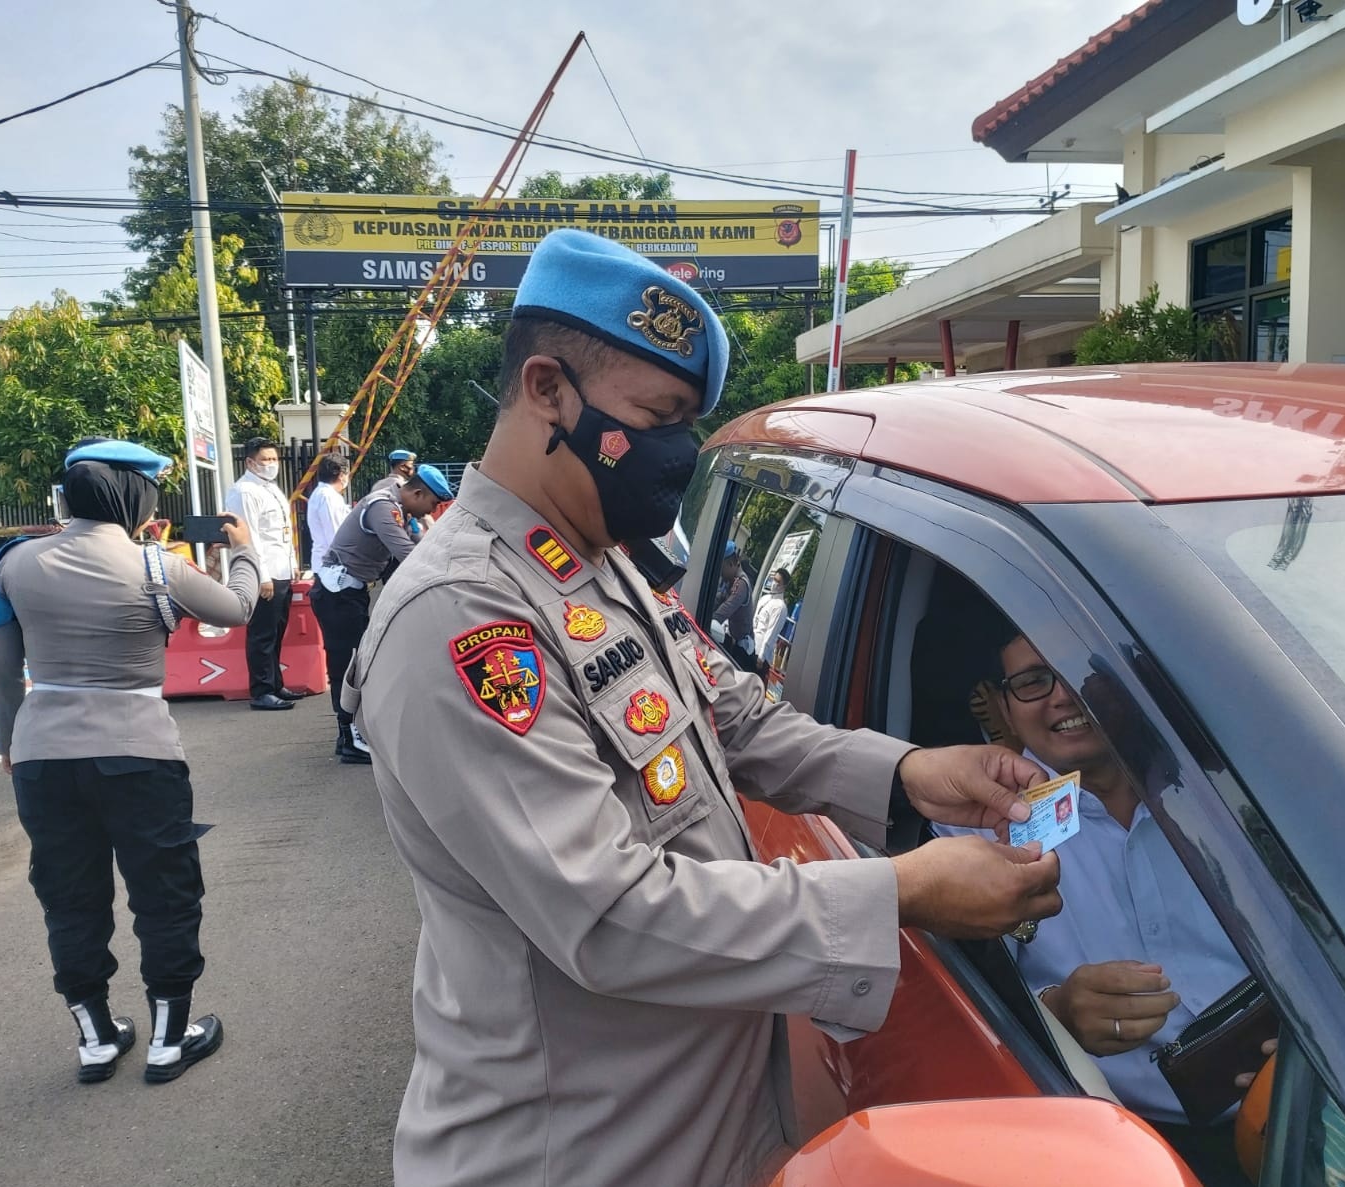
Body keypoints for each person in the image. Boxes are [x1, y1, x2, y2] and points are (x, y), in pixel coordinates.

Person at [342, 229, 1063, 1187]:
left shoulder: (594, 562)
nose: (676, 452)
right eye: (658, 416)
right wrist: (902, 892)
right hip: (577, 1156)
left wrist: (908, 771)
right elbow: (607, 911)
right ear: (548, 389)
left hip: (700, 1130)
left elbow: (733, 714)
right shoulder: (464, 617)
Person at [0, 438, 259, 1084]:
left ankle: (96, 1035)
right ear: (136, 496)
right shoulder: (157, 568)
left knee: (68, 893)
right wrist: (242, 551)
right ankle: (168, 1036)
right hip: (139, 752)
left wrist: (6, 744)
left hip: (44, 754)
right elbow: (241, 607)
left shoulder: (13, 564)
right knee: (164, 887)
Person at [932, 632, 1256, 1180]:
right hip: (1127, 1151)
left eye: (1080, 668)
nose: (1062, 694)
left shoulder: (1222, 790)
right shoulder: (975, 837)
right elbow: (960, 1020)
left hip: (1302, 1094)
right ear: (1005, 705)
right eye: (1034, 681)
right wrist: (1057, 1015)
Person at [311, 464, 450, 764]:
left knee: (357, 663)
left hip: (350, 593)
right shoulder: (384, 507)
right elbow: (408, 556)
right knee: (346, 667)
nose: (432, 510)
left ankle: (352, 732)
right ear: (417, 492)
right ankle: (348, 738)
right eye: (433, 504)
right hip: (338, 594)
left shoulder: (397, 507)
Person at [225, 437, 304, 711]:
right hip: (264, 571)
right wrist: (262, 575)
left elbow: (283, 531)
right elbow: (250, 537)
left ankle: (275, 683)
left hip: (281, 568)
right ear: (249, 462)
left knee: (276, 630)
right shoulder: (245, 491)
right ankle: (261, 690)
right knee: (262, 634)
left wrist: (293, 562)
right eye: (265, 460)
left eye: (274, 460)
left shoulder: (270, 488)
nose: (271, 465)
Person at [711, 540, 756, 671]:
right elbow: (718, 600)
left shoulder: (741, 584)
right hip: (735, 643)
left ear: (731, 564)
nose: (720, 573)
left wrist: (708, 621)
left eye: (721, 568)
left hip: (743, 652)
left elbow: (723, 612)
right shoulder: (730, 581)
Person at [305, 451, 351, 576]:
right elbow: (335, 534)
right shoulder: (328, 497)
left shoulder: (321, 494)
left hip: (326, 564)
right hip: (332, 567)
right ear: (341, 475)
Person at [752, 566, 790, 677]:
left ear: (784, 586)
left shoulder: (780, 607)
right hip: (750, 645)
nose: (774, 583)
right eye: (774, 579)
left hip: (759, 653)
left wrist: (761, 657)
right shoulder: (765, 598)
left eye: (778, 582)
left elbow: (771, 633)